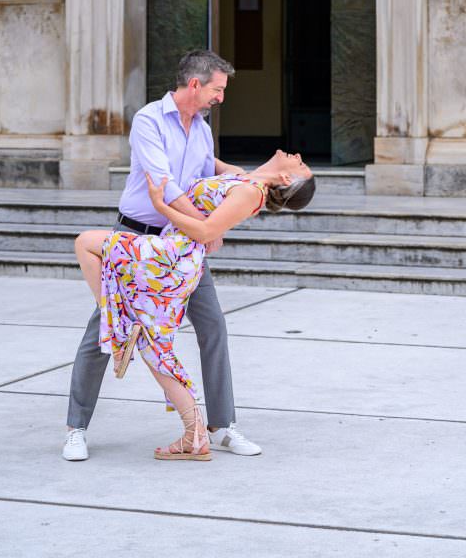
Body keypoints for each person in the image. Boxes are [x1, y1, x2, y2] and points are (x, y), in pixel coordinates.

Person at [63, 50, 256, 460]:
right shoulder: (148, 120)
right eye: (217, 90)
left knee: (212, 326)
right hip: (136, 238)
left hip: (181, 244)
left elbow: (203, 171)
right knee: (103, 332)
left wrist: (234, 174)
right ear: (194, 85)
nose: (220, 98)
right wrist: (208, 229)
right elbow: (164, 185)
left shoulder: (201, 127)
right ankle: (76, 428)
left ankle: (222, 425)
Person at [74, 149, 315, 460]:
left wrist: (161, 204)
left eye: (301, 163)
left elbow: (205, 231)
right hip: (173, 250)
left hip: (174, 254)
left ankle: (119, 325)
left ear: (286, 178)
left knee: (85, 244)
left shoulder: (250, 193)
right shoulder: (243, 177)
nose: (296, 154)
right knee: (154, 343)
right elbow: (200, 151)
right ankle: (194, 432)